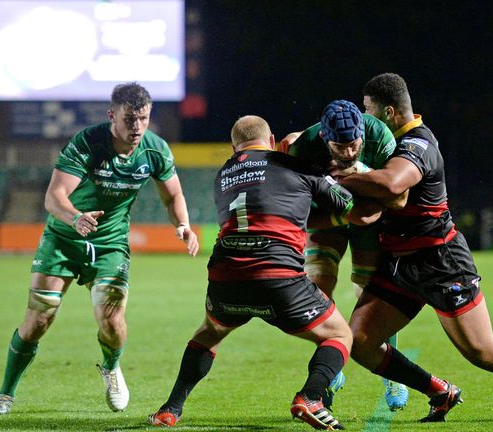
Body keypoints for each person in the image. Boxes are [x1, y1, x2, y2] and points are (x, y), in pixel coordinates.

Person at [331, 72, 493, 423]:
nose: (363, 120)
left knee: (484, 353)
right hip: (401, 264)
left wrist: (337, 177)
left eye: (368, 111)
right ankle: (439, 391)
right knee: (361, 341)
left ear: (390, 113)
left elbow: (394, 183)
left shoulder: (418, 143)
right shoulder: (384, 147)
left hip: (441, 262)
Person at [147, 115, 381, 430]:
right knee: (339, 334)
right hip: (278, 278)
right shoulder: (293, 166)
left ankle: (170, 409)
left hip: (225, 278)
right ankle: (312, 396)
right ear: (271, 141)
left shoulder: (223, 174)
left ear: (233, 147)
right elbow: (350, 207)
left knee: (209, 333)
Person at [0, 82, 200, 415]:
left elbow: (173, 195)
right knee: (39, 319)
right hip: (64, 239)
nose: (137, 127)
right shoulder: (88, 142)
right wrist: (75, 218)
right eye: (129, 119)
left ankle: (111, 367)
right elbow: (54, 197)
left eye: (143, 118)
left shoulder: (155, 150)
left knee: (111, 320)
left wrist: (182, 225)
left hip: (110, 243)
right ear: (112, 115)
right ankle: (5, 394)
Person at [281, 100, 410, 410]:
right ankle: (331, 360)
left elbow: (397, 197)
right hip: (328, 220)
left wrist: (355, 177)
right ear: (325, 140)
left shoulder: (380, 137)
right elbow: (296, 214)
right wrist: (341, 216)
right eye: (341, 146)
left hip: (371, 219)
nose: (350, 152)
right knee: (317, 290)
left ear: (362, 134)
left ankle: (392, 376)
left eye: (354, 144)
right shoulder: (304, 149)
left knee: (371, 298)